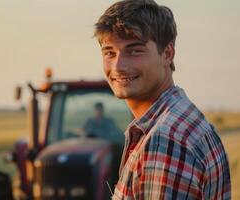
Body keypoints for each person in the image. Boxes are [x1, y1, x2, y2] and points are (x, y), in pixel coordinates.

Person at [94, 0, 231, 199]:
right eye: (109, 53)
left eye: (134, 51)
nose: (118, 66)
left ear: (167, 54)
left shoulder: (164, 141)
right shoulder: (184, 118)